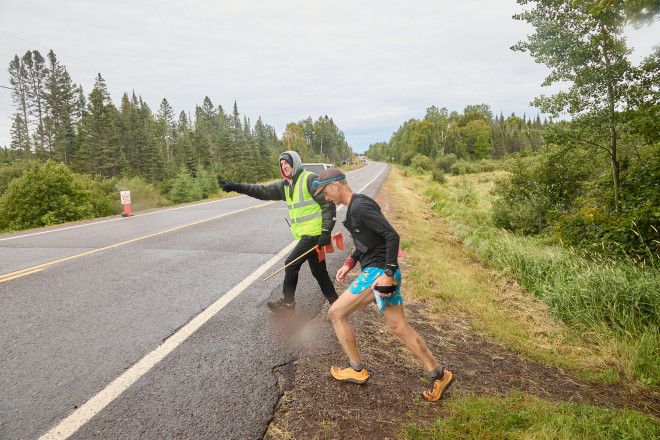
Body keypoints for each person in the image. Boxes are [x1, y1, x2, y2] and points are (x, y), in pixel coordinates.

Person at [313, 168, 454, 401]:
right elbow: (370, 241)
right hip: (381, 271)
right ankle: (439, 374)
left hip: (379, 273)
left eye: (325, 192)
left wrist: (388, 273)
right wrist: (350, 262)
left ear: (336, 185)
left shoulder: (359, 206)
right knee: (399, 327)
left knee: (336, 312)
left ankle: (356, 370)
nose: (326, 197)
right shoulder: (356, 206)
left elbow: (391, 235)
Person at [219, 151, 338, 312]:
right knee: (319, 272)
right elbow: (263, 191)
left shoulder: (310, 179)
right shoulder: (286, 185)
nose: (284, 166)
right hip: (309, 235)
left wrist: (326, 231)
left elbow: (328, 204)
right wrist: (236, 187)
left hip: (314, 235)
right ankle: (337, 305)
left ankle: (288, 304)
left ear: (295, 162)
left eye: (287, 162)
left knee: (290, 264)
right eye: (281, 164)